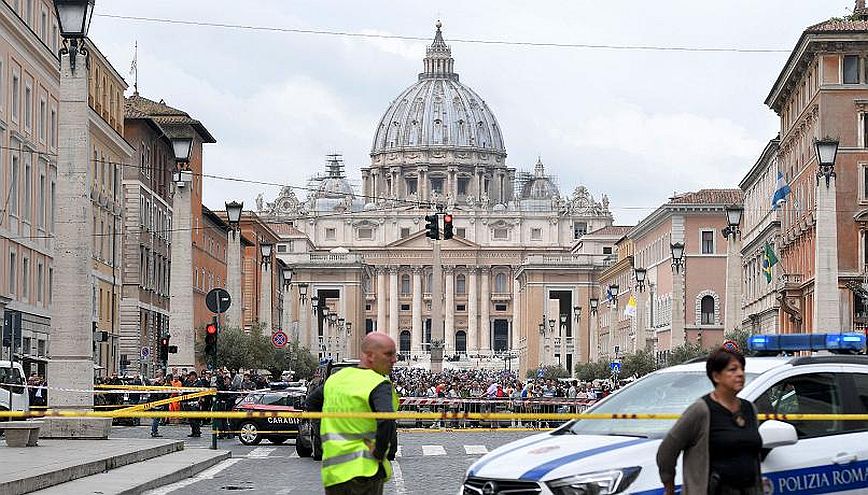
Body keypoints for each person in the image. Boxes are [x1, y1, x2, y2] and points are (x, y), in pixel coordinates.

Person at [656, 346, 763, 495]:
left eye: (741, 369)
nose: (740, 374)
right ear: (716, 376)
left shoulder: (749, 409)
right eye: (732, 370)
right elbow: (667, 451)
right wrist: (669, 489)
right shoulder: (701, 410)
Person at [320, 333, 398, 495]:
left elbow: (312, 403)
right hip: (364, 470)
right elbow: (387, 420)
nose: (394, 360)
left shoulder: (336, 379)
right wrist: (379, 451)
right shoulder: (378, 383)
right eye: (388, 354)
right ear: (370, 356)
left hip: (334, 472)